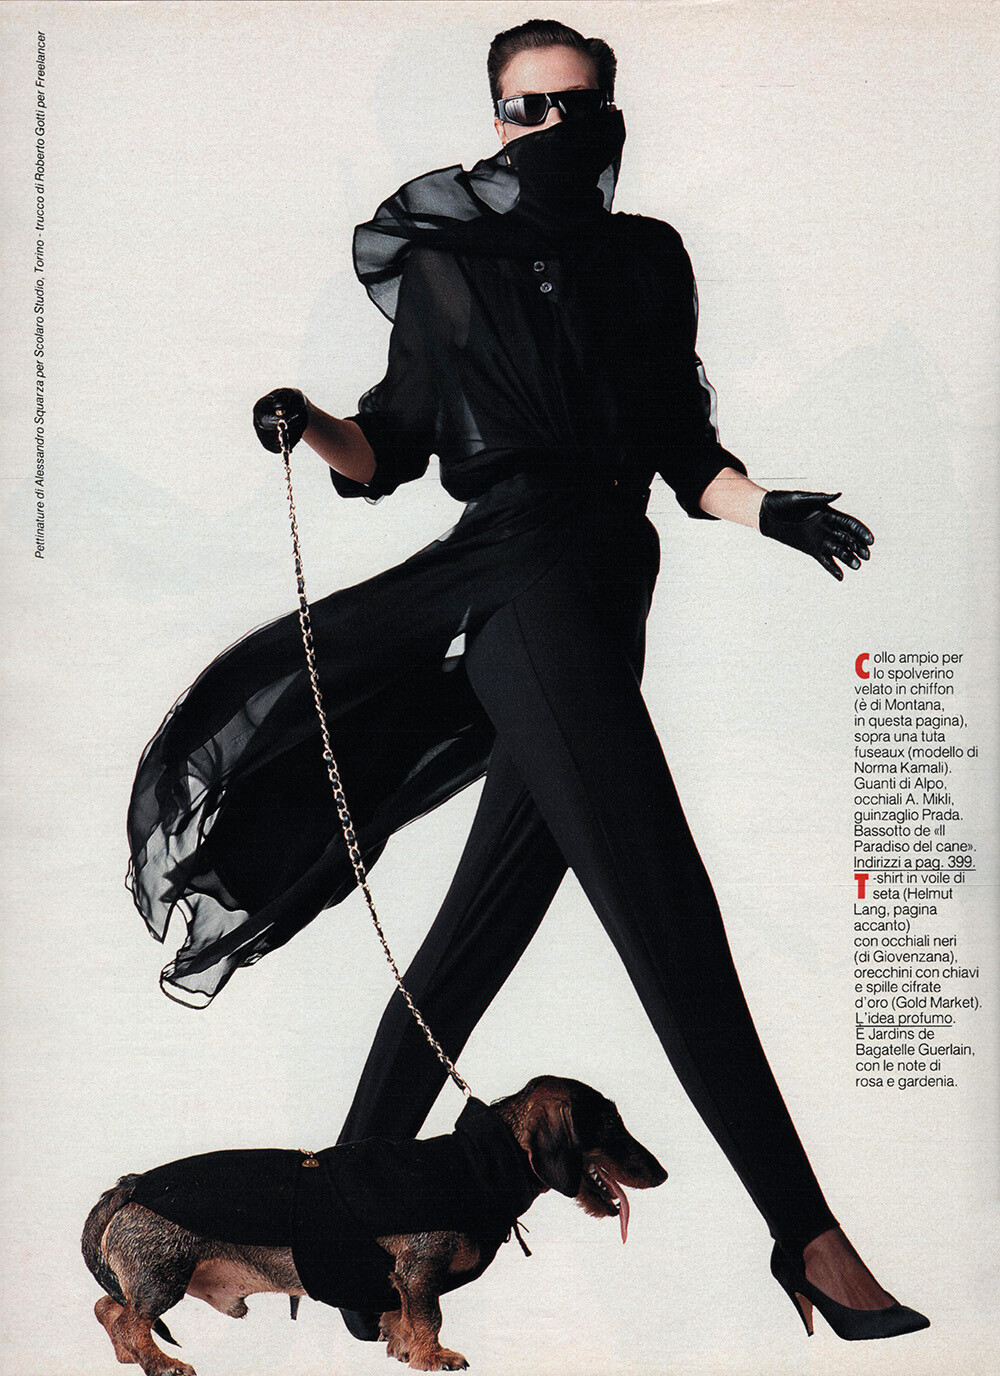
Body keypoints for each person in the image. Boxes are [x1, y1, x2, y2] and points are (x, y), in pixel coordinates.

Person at [126, 18, 928, 1346]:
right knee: (667, 910)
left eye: (574, 107)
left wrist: (771, 511)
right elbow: (388, 448)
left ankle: (347, 1245)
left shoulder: (648, 258)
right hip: (518, 596)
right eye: (524, 108)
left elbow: (684, 452)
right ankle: (808, 1237)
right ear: (495, 117)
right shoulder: (444, 264)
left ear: (610, 115)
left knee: (469, 945)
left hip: (608, 600)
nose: (548, 130)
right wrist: (306, 419)